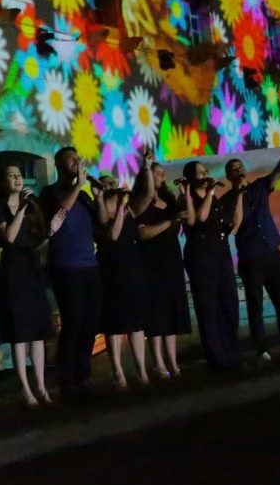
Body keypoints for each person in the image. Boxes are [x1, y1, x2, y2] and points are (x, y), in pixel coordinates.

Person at [228, 136, 280, 363]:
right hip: (251, 259)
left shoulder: (260, 186)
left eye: (239, 166)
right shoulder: (228, 200)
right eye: (233, 169)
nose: (238, 169)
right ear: (229, 176)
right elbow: (233, 226)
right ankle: (262, 351)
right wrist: (238, 195)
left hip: (272, 253)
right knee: (256, 306)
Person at [40, 146, 105, 399]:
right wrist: (79, 186)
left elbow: (101, 222)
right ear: (59, 165)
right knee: (74, 321)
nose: (77, 163)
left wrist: (98, 196)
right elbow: (60, 215)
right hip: (65, 267)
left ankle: (83, 376)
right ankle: (66, 380)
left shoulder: (85, 197)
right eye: (71, 160)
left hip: (90, 265)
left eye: (78, 159)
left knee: (90, 322)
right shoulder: (50, 193)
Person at [0, 163, 53, 408]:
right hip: (13, 274)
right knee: (19, 334)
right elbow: (10, 237)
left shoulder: (32, 207)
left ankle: (41, 387)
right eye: (10, 175)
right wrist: (22, 208)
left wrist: (49, 234)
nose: (17, 178)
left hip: (32, 271)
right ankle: (26, 390)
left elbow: (33, 242)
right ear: (3, 182)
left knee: (37, 333)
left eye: (18, 174)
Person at [181, 160, 244, 373]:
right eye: (200, 173)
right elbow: (199, 218)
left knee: (229, 304)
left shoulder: (214, 198)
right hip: (201, 256)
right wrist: (209, 193)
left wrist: (238, 195)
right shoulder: (187, 198)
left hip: (221, 254)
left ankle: (232, 354)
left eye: (206, 171)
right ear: (191, 178)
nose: (206, 174)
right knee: (209, 309)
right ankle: (217, 359)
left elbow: (232, 223)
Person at [96, 164, 152, 389]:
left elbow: (147, 196)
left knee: (136, 322)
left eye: (114, 183)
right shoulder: (97, 212)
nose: (113, 186)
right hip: (110, 271)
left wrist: (146, 168)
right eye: (108, 184)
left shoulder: (128, 210)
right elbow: (113, 233)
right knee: (114, 323)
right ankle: (118, 371)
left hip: (131, 269)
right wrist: (119, 206)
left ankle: (141, 370)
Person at [137, 161, 191, 378]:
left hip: (172, 260)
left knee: (171, 312)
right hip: (151, 263)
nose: (162, 176)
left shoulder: (168, 200)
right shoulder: (141, 203)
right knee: (156, 314)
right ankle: (158, 364)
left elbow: (185, 218)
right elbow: (142, 233)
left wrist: (184, 196)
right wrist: (170, 222)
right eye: (157, 173)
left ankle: (173, 362)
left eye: (162, 173)